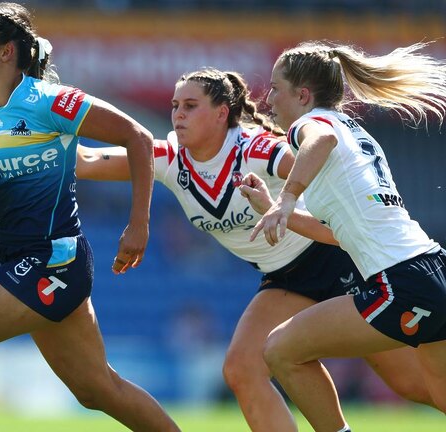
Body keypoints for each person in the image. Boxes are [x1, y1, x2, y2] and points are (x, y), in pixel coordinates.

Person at [75, 68, 435, 432]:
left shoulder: (258, 149)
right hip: (286, 278)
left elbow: (323, 165)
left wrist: (290, 196)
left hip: (340, 260)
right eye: (174, 106)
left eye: (190, 105)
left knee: (413, 384)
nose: (178, 115)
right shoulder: (170, 159)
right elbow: (85, 162)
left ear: (221, 113)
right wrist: (42, 125)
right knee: (241, 369)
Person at [0, 3, 179, 432]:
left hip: (53, 261)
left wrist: (138, 224)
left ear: (7, 52)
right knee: (98, 390)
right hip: (26, 261)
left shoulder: (49, 101)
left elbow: (136, 136)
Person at [252, 41, 446, 432]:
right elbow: (340, 236)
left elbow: (318, 141)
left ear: (303, 94)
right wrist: (273, 208)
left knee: (280, 350)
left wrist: (287, 198)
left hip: (401, 282)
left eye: (275, 87)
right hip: (433, 269)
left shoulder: (310, 126)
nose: (267, 97)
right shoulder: (356, 133)